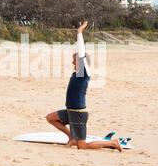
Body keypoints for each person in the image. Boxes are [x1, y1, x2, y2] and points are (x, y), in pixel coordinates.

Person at [46, 21, 123, 152]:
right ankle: (71, 136)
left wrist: (79, 32)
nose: (73, 61)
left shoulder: (84, 72)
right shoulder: (77, 73)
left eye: (75, 59)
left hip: (78, 114)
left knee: (82, 147)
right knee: (51, 118)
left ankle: (113, 143)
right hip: (70, 111)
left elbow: (81, 52)